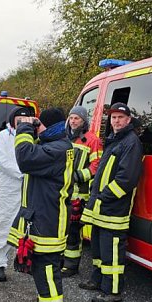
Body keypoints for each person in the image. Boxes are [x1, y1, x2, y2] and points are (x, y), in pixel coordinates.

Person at [8, 107, 73, 302]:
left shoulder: (57, 149)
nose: (37, 129)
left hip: (49, 222)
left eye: (39, 125)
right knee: (41, 270)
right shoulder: (56, 145)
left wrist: (24, 127)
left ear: (50, 127)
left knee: (46, 270)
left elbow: (24, 157)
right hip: (45, 218)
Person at [79, 102, 143, 302]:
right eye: (113, 118)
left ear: (128, 120)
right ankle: (98, 280)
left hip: (114, 208)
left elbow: (126, 179)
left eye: (120, 118)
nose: (116, 121)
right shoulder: (115, 140)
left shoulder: (131, 142)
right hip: (102, 205)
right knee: (99, 247)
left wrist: (104, 196)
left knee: (112, 251)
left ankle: (113, 290)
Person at [0, 106, 34, 282]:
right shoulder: (0, 138)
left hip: (30, 189)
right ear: (13, 119)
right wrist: (24, 172)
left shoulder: (32, 136)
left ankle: (25, 260)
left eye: (25, 119)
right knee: (5, 226)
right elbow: (3, 161)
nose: (22, 122)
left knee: (29, 227)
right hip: (10, 190)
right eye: (19, 119)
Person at [61, 106, 102, 277]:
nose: (73, 121)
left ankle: (71, 266)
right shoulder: (66, 138)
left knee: (73, 231)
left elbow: (97, 165)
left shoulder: (92, 140)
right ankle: (63, 260)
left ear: (84, 121)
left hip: (80, 194)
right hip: (65, 192)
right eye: (71, 118)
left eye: (76, 118)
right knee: (63, 229)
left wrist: (80, 175)